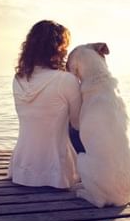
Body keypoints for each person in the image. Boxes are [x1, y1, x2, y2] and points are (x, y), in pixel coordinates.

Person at [7, 20, 82, 189]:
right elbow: (78, 123)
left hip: (21, 171)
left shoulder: (17, 78)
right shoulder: (66, 80)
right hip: (58, 174)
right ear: (58, 49)